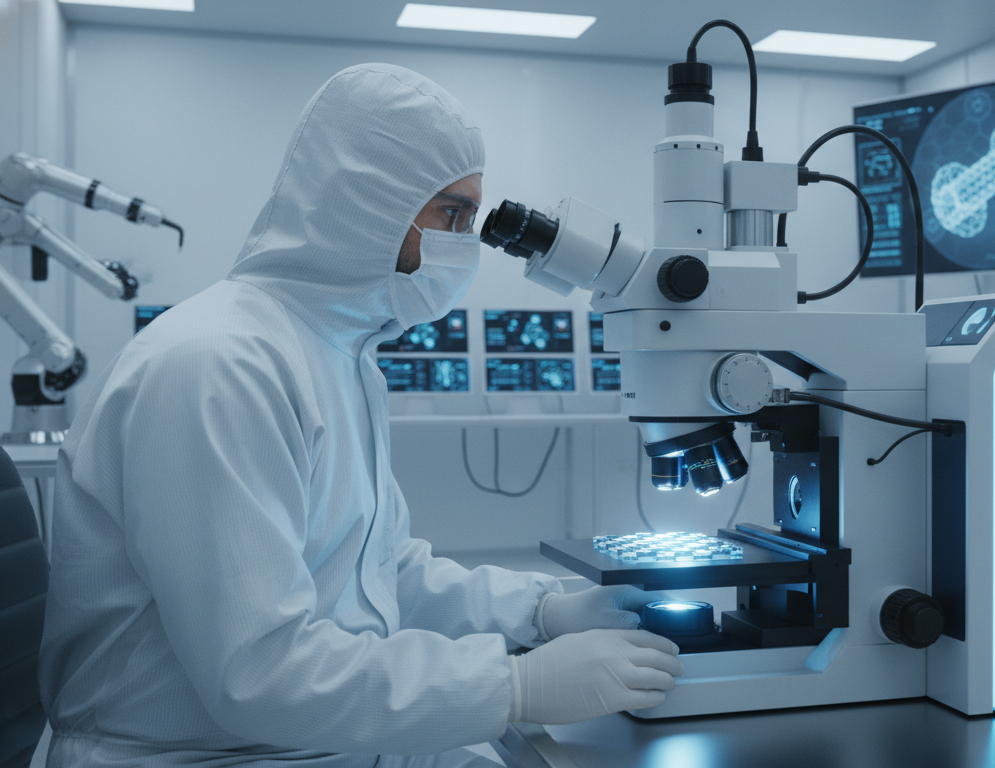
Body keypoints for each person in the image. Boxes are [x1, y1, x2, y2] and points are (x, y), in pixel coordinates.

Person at [38, 63, 683, 767]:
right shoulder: (219, 368)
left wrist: (541, 611)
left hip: (305, 740)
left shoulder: (335, 355)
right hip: (194, 755)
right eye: (452, 215)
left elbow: (380, 571)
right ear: (368, 203)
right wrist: (515, 684)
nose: (465, 244)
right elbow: (261, 672)